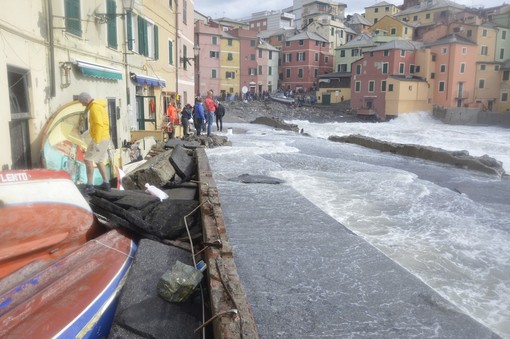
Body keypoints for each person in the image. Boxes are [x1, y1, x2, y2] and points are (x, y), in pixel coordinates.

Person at [78, 92, 111, 195]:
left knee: (88, 160)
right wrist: (88, 133)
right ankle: (106, 183)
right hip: (105, 137)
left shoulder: (94, 108)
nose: (83, 105)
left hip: (99, 138)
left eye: (82, 102)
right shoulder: (98, 105)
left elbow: (99, 125)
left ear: (86, 100)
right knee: (99, 160)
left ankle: (89, 185)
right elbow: (99, 124)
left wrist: (96, 142)